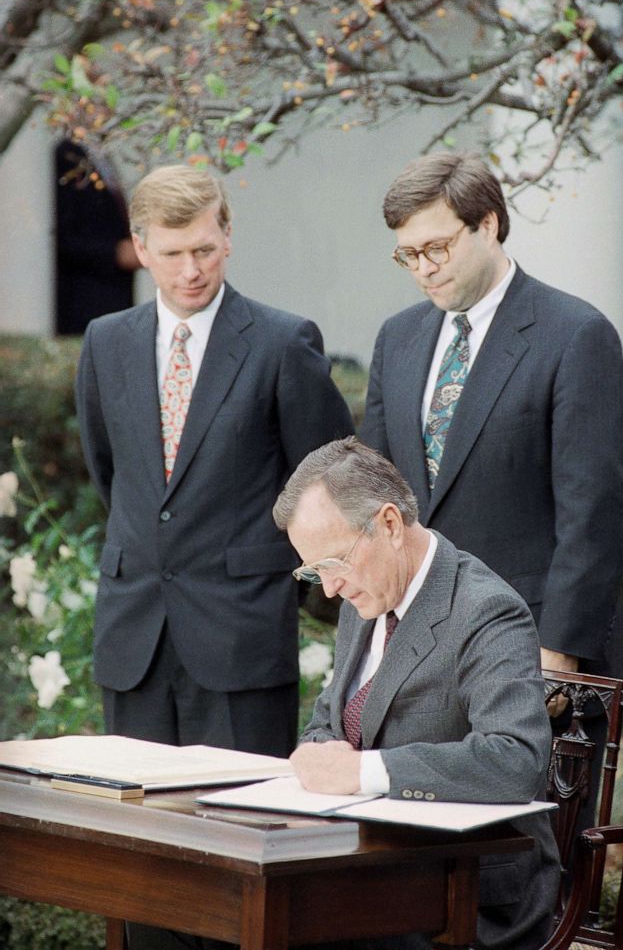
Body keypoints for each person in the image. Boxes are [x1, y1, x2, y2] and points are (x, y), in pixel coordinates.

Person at [75, 163, 354, 949]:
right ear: (139, 247)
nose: (191, 269)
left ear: (227, 236)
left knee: (239, 865)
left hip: (238, 638)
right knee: (143, 869)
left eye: (205, 248)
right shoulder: (106, 342)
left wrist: (296, 597)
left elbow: (324, 483)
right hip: (134, 636)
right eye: (171, 253)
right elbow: (115, 474)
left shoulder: (279, 340)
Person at [360, 152, 623, 823]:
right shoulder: (397, 339)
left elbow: (591, 514)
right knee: (419, 878)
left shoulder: (574, 334)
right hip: (418, 654)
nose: (423, 267)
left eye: (436, 246)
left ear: (487, 225)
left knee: (535, 879)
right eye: (407, 254)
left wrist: (555, 663)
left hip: (532, 657)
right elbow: (376, 498)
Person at [274, 437, 560, 950]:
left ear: (388, 524)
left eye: (333, 563)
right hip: (370, 864)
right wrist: (319, 754)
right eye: (314, 571)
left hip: (467, 893)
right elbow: (329, 723)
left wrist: (362, 771)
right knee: (187, 914)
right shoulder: (364, 597)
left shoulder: (486, 609)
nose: (330, 588)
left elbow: (517, 760)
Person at [55, 138, 140, 334]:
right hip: (85, 300)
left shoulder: (101, 153)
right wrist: (115, 253)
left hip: (116, 295)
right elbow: (62, 234)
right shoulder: (68, 155)